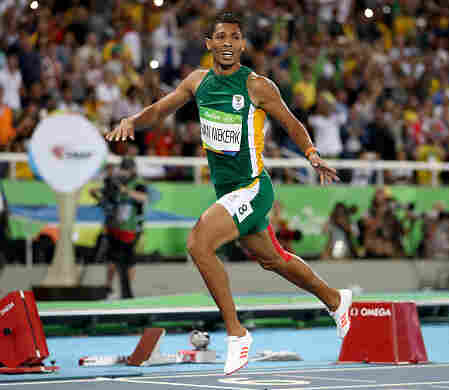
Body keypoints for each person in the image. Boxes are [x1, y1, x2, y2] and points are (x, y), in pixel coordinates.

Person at [105, 12, 352, 375]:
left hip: (253, 188)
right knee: (275, 260)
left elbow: (292, 123)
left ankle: (237, 334)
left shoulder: (257, 86)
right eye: (220, 37)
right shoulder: (197, 82)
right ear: (209, 44)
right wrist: (131, 121)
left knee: (198, 243)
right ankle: (336, 300)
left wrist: (312, 155)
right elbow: (159, 111)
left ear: (241, 45)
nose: (227, 43)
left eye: (235, 37)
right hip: (228, 193)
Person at [90, 157, 148, 299]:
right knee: (112, 259)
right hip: (114, 227)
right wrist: (97, 193)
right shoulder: (115, 182)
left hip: (130, 229)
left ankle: (126, 291)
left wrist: (125, 191)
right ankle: (108, 289)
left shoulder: (138, 183)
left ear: (133, 169)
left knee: (130, 262)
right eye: (123, 169)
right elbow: (104, 199)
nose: (125, 172)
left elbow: (143, 198)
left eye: (127, 169)